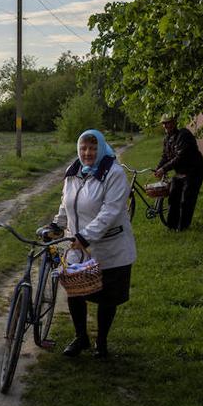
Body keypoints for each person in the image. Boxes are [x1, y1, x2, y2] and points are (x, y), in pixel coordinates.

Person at [45, 129, 136, 358]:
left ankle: (101, 342)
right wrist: (58, 225)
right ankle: (81, 337)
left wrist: (85, 236)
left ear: (102, 148)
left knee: (107, 297)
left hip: (110, 246)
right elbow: (66, 203)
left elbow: (110, 212)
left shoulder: (113, 174)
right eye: (84, 147)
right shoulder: (73, 171)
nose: (87, 152)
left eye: (93, 148)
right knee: (75, 290)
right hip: (77, 245)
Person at [154, 114, 203, 231]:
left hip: (194, 170)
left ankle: (182, 228)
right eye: (164, 123)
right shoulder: (167, 138)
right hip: (180, 171)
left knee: (186, 200)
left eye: (168, 122)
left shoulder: (184, 135)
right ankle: (171, 226)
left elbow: (180, 157)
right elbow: (165, 156)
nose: (165, 125)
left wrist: (164, 169)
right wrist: (158, 168)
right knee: (173, 197)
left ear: (174, 123)